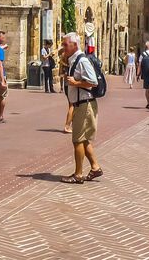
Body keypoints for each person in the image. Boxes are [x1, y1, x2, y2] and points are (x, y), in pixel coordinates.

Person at [61, 32, 103, 184]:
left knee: (77, 140)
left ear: (74, 45)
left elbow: (93, 82)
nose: (63, 47)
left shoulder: (82, 61)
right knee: (84, 140)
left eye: (66, 44)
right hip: (81, 104)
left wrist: (75, 83)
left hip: (85, 104)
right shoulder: (74, 60)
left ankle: (78, 174)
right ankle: (95, 167)